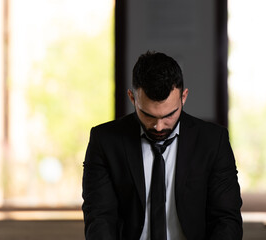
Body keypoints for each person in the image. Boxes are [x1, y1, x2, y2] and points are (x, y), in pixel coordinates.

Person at [82, 51, 243, 240]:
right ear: (132, 98)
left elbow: (226, 219)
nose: (158, 126)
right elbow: (100, 217)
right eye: (148, 115)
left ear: (183, 97)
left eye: (169, 115)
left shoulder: (213, 141)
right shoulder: (105, 141)